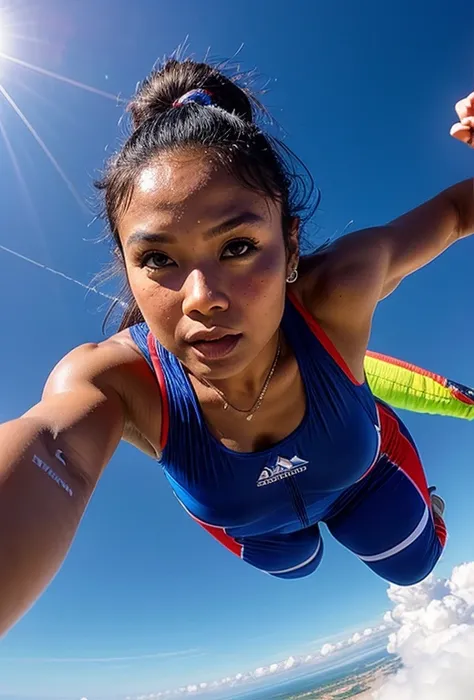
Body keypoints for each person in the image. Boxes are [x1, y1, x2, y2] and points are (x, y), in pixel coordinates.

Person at [0, 59, 473, 636]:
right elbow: (51, 448)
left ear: (291, 244)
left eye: (239, 246)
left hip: (359, 474)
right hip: (259, 524)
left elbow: (454, 214)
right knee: (297, 565)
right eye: (158, 259)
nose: (201, 298)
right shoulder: (113, 380)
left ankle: (383, 438)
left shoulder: (336, 292)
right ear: (127, 271)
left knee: (412, 563)